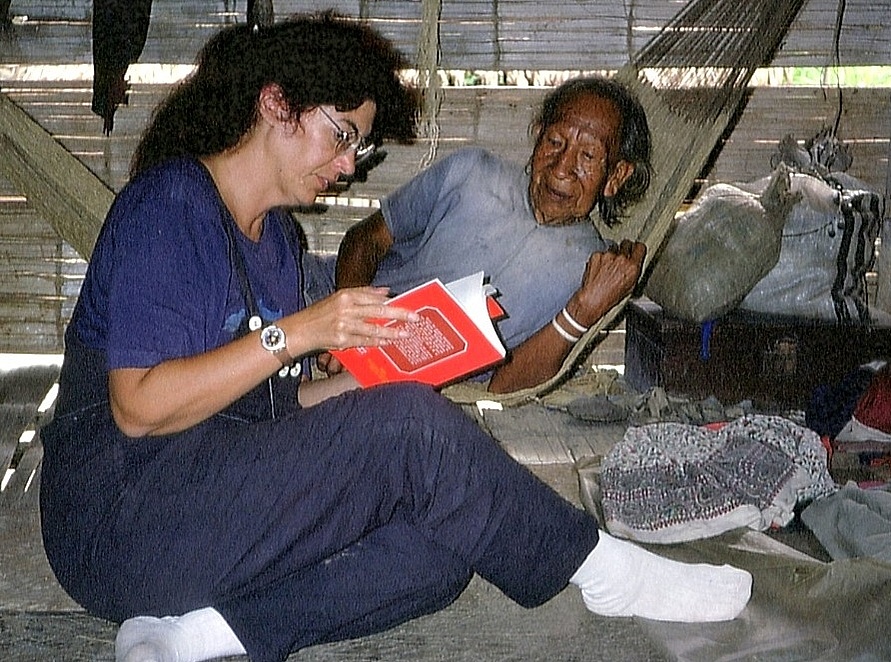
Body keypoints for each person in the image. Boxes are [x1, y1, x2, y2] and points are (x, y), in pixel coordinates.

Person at [38, 13, 752, 662]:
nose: (350, 164)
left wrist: (379, 378)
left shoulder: (277, 242)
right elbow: (139, 407)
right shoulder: (170, 206)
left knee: (443, 548)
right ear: (277, 105)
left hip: (203, 505)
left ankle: (188, 636)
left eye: (359, 143)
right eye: (342, 135)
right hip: (119, 523)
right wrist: (304, 331)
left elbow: (275, 406)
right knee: (408, 429)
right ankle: (604, 571)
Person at [307, 75, 652, 393]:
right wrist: (351, 328)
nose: (561, 168)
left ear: (616, 176)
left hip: (405, 388)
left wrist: (581, 312)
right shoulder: (472, 172)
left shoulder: (591, 273)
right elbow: (366, 239)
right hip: (329, 301)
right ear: (538, 134)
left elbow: (503, 385)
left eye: (588, 155)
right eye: (555, 141)